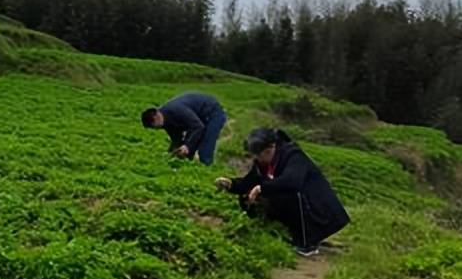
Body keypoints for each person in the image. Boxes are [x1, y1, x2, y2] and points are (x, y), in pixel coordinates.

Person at [215, 127, 349, 256]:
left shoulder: (293, 155)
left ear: (269, 149)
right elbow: (248, 182)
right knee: (247, 195)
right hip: (298, 206)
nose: (256, 159)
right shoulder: (262, 163)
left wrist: (261, 188)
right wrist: (230, 184)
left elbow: (292, 181)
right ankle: (284, 232)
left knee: (286, 194)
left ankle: (308, 242)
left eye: (258, 155)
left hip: (317, 208)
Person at [141, 92, 229, 165]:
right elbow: (176, 138)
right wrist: (171, 153)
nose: (156, 129)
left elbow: (198, 127)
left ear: (156, 117)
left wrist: (187, 146)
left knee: (204, 150)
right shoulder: (165, 122)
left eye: (153, 126)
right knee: (186, 152)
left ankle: (208, 174)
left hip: (212, 113)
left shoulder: (176, 110)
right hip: (198, 119)